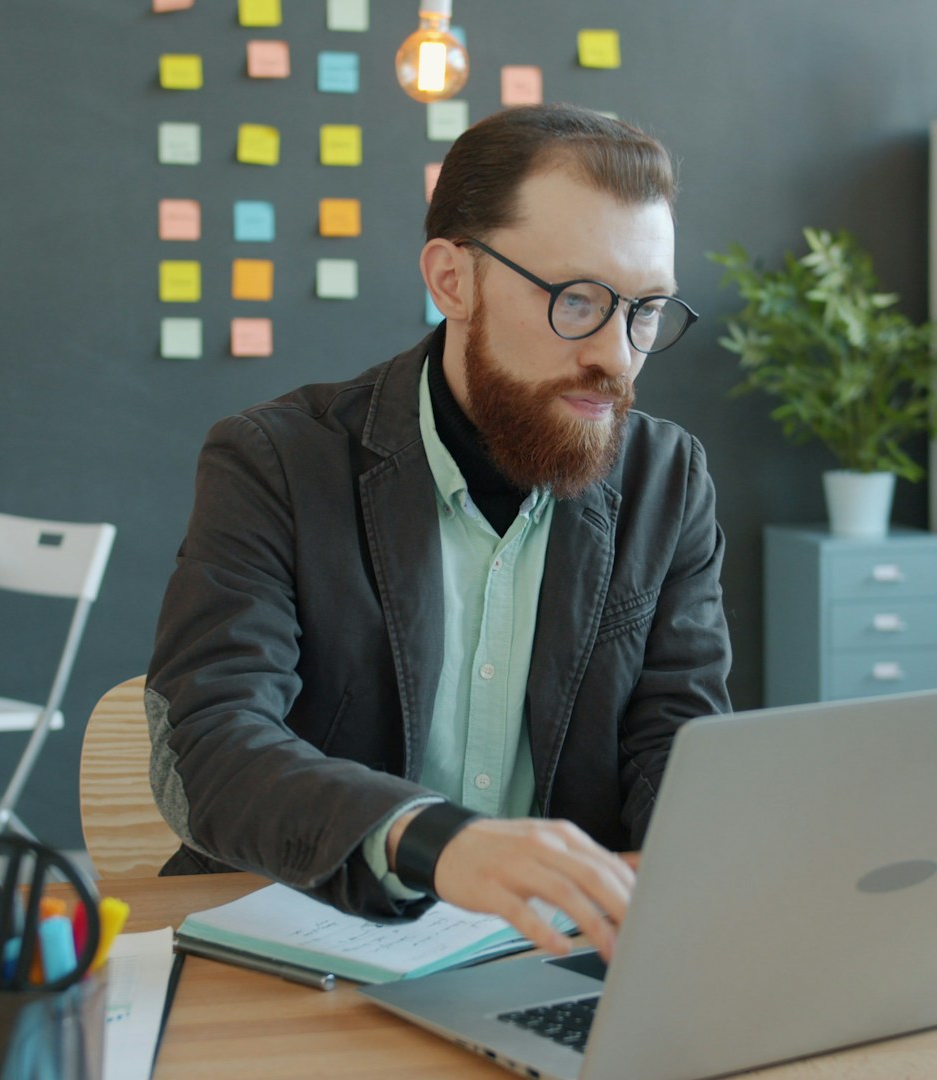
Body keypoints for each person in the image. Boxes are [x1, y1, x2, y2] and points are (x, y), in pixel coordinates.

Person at [147, 104, 731, 960]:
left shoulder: (666, 480)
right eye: (578, 300)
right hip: (307, 954)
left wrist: (727, 863)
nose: (616, 354)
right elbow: (210, 745)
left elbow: (676, 745)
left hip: (550, 960)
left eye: (645, 310)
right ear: (453, 280)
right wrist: (434, 840)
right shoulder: (273, 461)